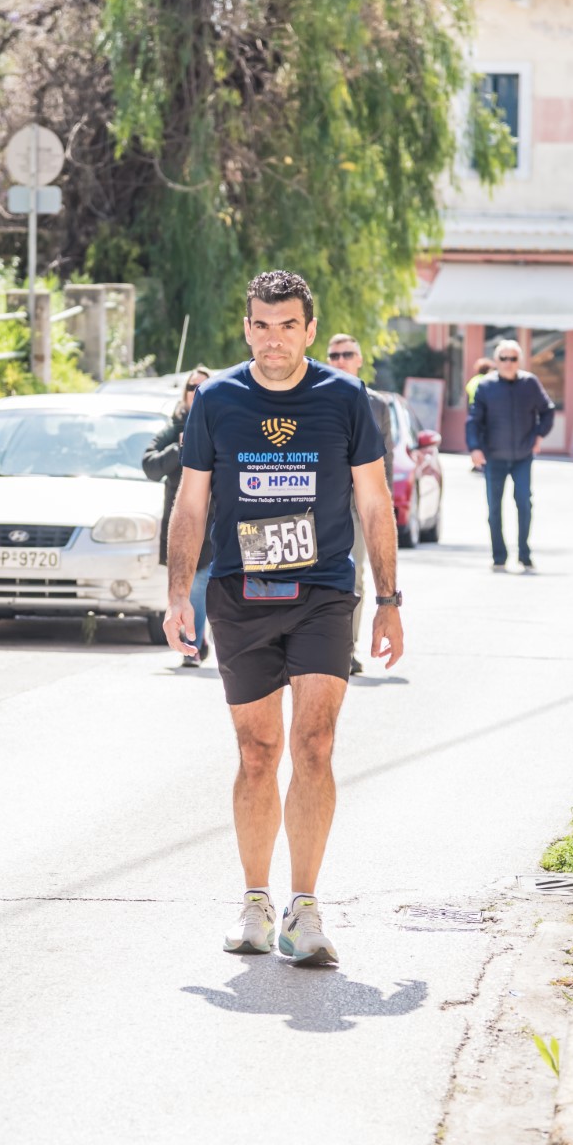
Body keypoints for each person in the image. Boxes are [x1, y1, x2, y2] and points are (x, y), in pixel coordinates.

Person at [164, 269, 403, 966]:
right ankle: (255, 903)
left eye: (288, 326)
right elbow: (191, 502)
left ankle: (306, 908)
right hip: (240, 593)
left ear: (309, 328)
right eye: (262, 326)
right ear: (247, 329)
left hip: (323, 590)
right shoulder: (217, 399)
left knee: (315, 745)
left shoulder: (345, 397)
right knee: (257, 752)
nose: (274, 340)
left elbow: (375, 502)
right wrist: (177, 596)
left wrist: (389, 601)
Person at [325, 331, 393, 675]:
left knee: (354, 576)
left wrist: (382, 511)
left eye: (347, 354)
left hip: (357, 504)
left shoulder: (377, 404)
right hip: (321, 502)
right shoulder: (315, 397)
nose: (340, 361)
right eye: (334, 356)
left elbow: (386, 461)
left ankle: (346, 651)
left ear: (360, 360)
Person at [142, 366, 213, 665]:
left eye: (203, 387)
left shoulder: (221, 424)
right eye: (192, 387)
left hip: (213, 523)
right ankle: (194, 642)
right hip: (182, 521)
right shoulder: (174, 428)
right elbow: (150, 466)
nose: (197, 392)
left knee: (201, 585)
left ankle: (195, 641)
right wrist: (179, 446)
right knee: (188, 584)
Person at [466, 339, 554, 573]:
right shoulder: (486, 386)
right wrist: (475, 448)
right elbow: (474, 420)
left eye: (513, 358)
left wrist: (539, 435)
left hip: (523, 456)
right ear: (496, 361)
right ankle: (499, 556)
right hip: (494, 456)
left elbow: (547, 411)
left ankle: (524, 554)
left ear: (519, 361)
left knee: (524, 503)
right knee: (494, 508)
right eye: (503, 358)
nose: (508, 363)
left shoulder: (530, 383)